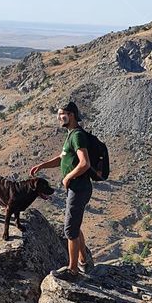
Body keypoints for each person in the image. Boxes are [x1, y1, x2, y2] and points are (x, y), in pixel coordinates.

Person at [30, 101, 93, 279]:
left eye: (62, 114)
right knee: (75, 225)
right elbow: (62, 157)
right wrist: (42, 165)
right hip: (76, 187)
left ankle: (72, 270)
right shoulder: (70, 134)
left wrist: (68, 177)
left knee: (70, 230)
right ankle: (83, 262)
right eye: (58, 114)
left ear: (72, 115)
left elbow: (84, 163)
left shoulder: (77, 136)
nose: (59, 117)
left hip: (79, 187)